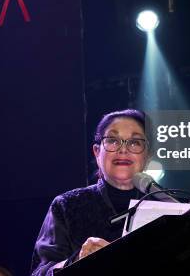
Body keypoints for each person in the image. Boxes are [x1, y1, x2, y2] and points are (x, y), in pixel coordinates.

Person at [30, 109, 150, 276]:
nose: (123, 150)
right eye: (113, 140)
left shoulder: (169, 208)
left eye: (135, 142)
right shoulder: (67, 206)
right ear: (96, 151)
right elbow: (39, 273)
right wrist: (77, 260)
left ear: (147, 156)